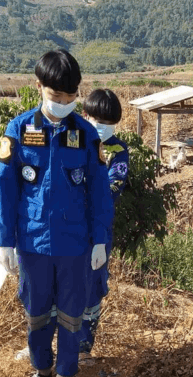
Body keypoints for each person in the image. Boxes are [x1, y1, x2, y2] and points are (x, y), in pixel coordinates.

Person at [0, 49, 114, 377]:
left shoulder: (86, 135)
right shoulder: (19, 130)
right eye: (55, 96)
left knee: (72, 313)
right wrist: (5, 240)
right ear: (39, 87)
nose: (62, 104)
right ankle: (42, 371)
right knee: (36, 310)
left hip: (76, 243)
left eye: (70, 97)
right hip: (33, 242)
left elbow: (99, 191)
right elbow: (6, 187)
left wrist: (100, 240)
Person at [79, 89, 130, 359]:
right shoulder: (72, 141)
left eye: (110, 123)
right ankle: (45, 346)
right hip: (67, 229)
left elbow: (113, 187)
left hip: (98, 232)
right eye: (99, 121)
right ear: (85, 115)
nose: (103, 127)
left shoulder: (118, 151)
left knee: (93, 286)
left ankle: (83, 347)